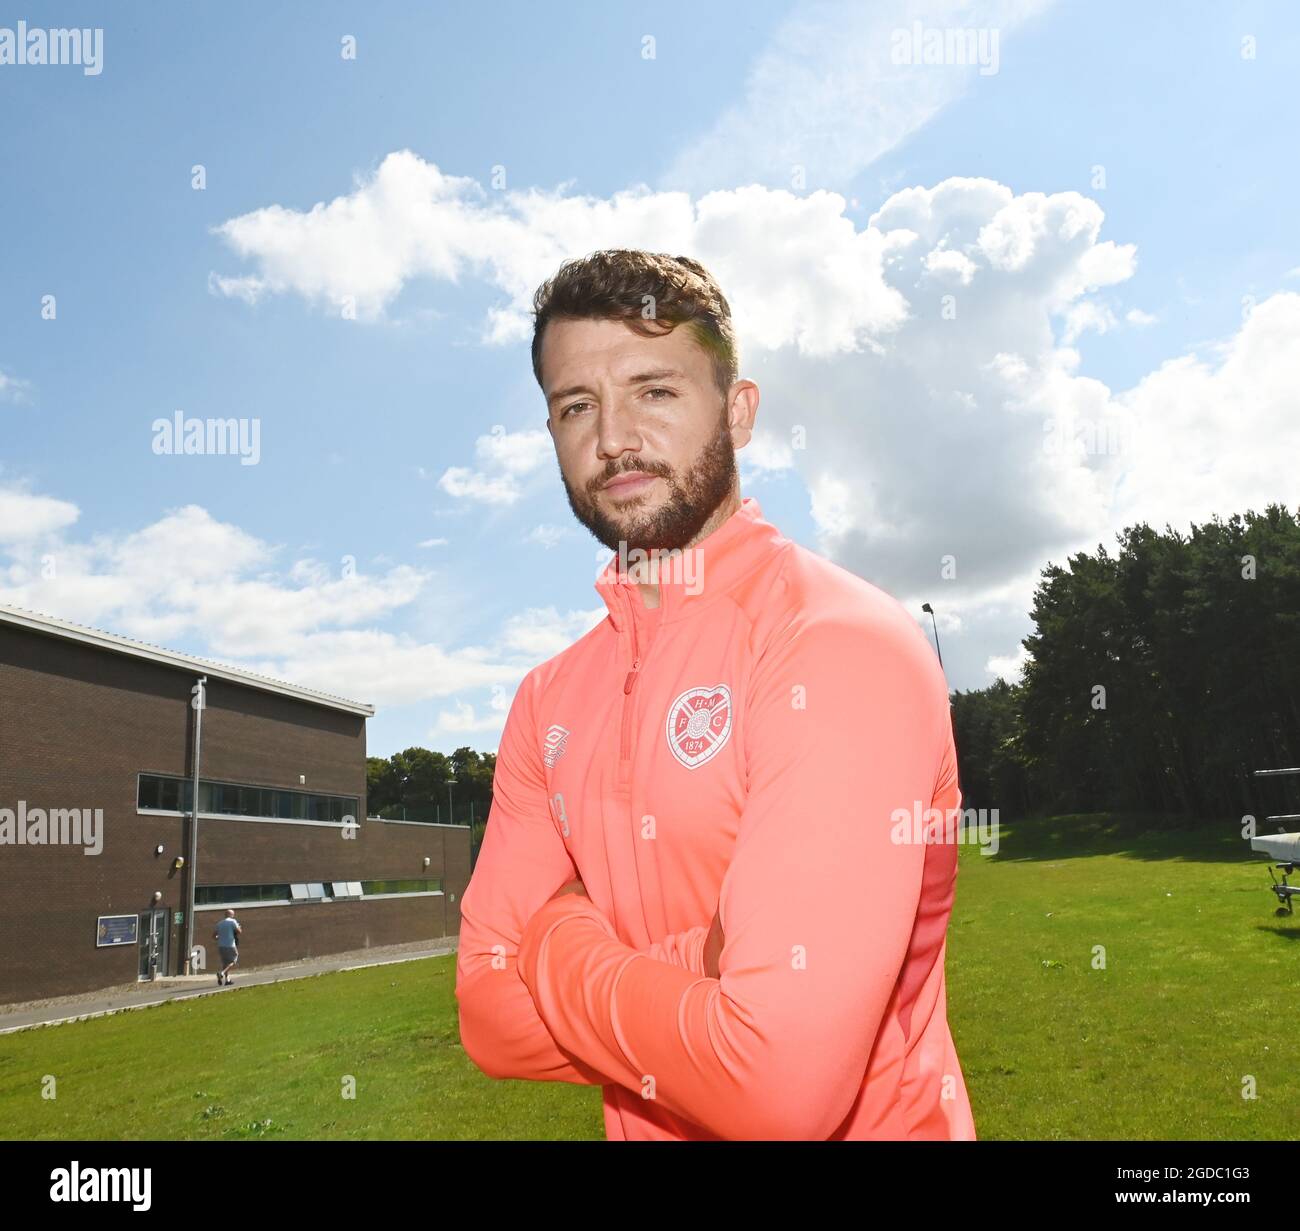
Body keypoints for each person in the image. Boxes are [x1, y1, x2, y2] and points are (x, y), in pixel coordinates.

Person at [454, 248, 977, 1141]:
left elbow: (779, 1087)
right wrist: (703, 966)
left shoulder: (837, 643)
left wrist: (549, 942)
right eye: (576, 405)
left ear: (738, 413)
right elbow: (487, 1018)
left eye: (654, 390)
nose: (613, 436)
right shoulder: (548, 699)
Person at [213, 909, 241, 986]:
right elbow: (239, 931)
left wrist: (221, 937)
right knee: (234, 959)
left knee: (225, 962)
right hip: (230, 945)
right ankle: (221, 973)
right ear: (231, 915)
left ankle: (227, 980)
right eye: (233, 915)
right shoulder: (232, 921)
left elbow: (214, 936)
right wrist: (238, 927)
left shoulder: (219, 923)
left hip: (221, 946)